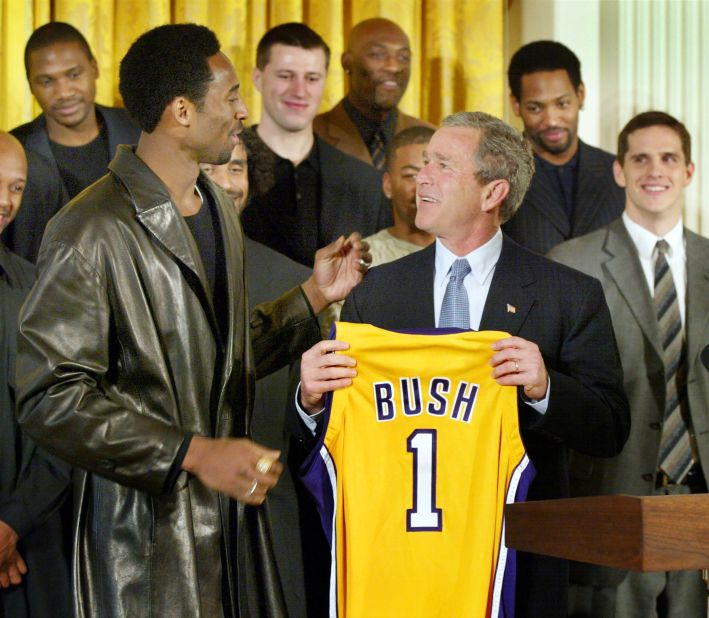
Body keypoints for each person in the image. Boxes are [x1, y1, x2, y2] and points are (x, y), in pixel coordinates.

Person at [15, 23, 369, 618]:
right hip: (139, 544)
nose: (241, 110)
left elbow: (215, 353)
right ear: (182, 109)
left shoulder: (215, 212)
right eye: (230, 95)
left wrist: (310, 296)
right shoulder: (89, 228)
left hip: (229, 531)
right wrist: (193, 453)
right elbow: (50, 399)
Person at [296, 112, 630, 618]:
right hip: (400, 566)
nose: (421, 176)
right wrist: (310, 401)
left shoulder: (569, 294)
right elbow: (337, 438)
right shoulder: (378, 293)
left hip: (516, 567)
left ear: (492, 192)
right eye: (423, 162)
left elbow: (609, 430)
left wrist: (544, 388)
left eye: (443, 165)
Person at [549, 111, 709, 618]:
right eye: (640, 158)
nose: (653, 170)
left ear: (688, 171)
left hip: (697, 506)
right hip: (608, 503)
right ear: (619, 171)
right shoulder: (571, 264)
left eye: (668, 158)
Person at [201, 132, 319, 618]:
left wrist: (310, 404)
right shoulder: (141, 267)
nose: (229, 183)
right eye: (214, 168)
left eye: (237, 168)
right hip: (175, 511)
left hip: (269, 510)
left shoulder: (294, 279)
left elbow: (307, 417)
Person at [240, 22, 391, 266]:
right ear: (258, 78)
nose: (300, 91)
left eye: (312, 78)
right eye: (285, 76)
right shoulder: (217, 172)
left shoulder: (367, 186)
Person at [0, 130, 71, 618]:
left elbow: (63, 418)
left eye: (16, 187)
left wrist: (10, 525)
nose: (5, 201)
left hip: (24, 549)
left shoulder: (34, 291)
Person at [6, 22, 140, 263]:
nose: (64, 92)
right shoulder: (13, 153)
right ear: (30, 84)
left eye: (73, 74)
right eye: (47, 81)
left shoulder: (141, 133)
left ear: (95, 68)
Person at [503, 40, 624, 255]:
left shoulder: (617, 173)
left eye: (562, 104)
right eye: (535, 107)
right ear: (516, 105)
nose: (551, 120)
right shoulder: (498, 174)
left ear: (580, 95)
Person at [322, 124, 434, 332]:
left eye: (434, 172)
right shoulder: (360, 261)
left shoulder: (467, 257)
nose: (423, 185)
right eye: (411, 175)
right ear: (388, 185)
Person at [313, 18, 434, 169]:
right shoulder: (311, 136)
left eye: (403, 57)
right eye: (377, 55)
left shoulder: (434, 141)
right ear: (347, 63)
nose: (394, 67)